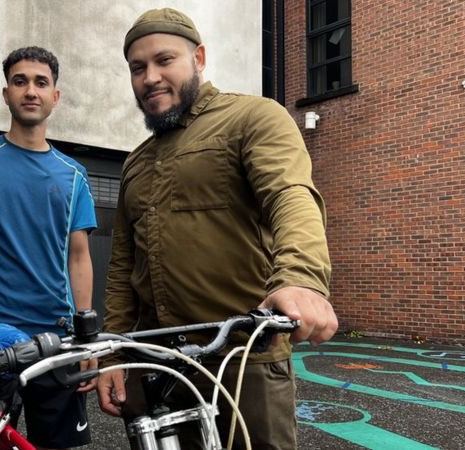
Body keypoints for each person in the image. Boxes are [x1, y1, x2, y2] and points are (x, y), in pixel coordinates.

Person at [96, 8, 339, 449]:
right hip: (160, 365)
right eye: (137, 68)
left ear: (199, 58)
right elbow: (122, 267)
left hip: (244, 360)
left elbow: (291, 195)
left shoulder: (253, 118)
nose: (150, 77)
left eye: (164, 60)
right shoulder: (135, 162)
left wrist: (301, 279)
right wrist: (113, 354)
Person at [0, 46, 97, 450]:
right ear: (6, 93)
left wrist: (87, 338)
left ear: (55, 96)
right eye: (20, 81)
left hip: (58, 342)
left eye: (41, 82)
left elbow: (79, 257)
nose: (31, 90)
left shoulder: (74, 176)